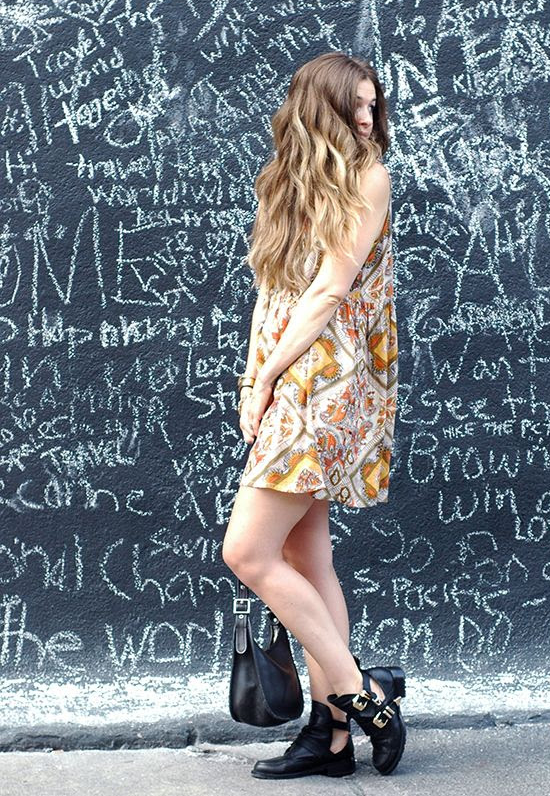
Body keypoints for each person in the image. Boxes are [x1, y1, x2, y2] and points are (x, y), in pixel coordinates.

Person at [222, 51, 403, 780]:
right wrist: (253, 380)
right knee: (306, 558)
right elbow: (270, 296)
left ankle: (364, 696)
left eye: (372, 105)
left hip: (327, 388)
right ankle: (330, 739)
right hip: (286, 382)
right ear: (316, 110)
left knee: (247, 553)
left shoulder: (369, 177)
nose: (367, 118)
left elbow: (329, 292)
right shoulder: (283, 183)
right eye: (353, 105)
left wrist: (268, 377)